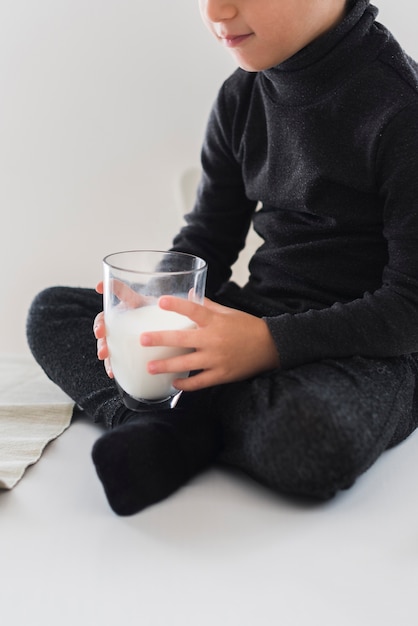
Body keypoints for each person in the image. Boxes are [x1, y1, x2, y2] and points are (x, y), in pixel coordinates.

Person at [27, 0, 418, 516]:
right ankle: (156, 421)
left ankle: (181, 420)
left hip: (368, 348)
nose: (216, 9)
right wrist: (150, 305)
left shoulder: (402, 109)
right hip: (252, 316)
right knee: (53, 312)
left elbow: (408, 309)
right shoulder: (242, 95)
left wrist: (266, 346)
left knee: (311, 438)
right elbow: (208, 240)